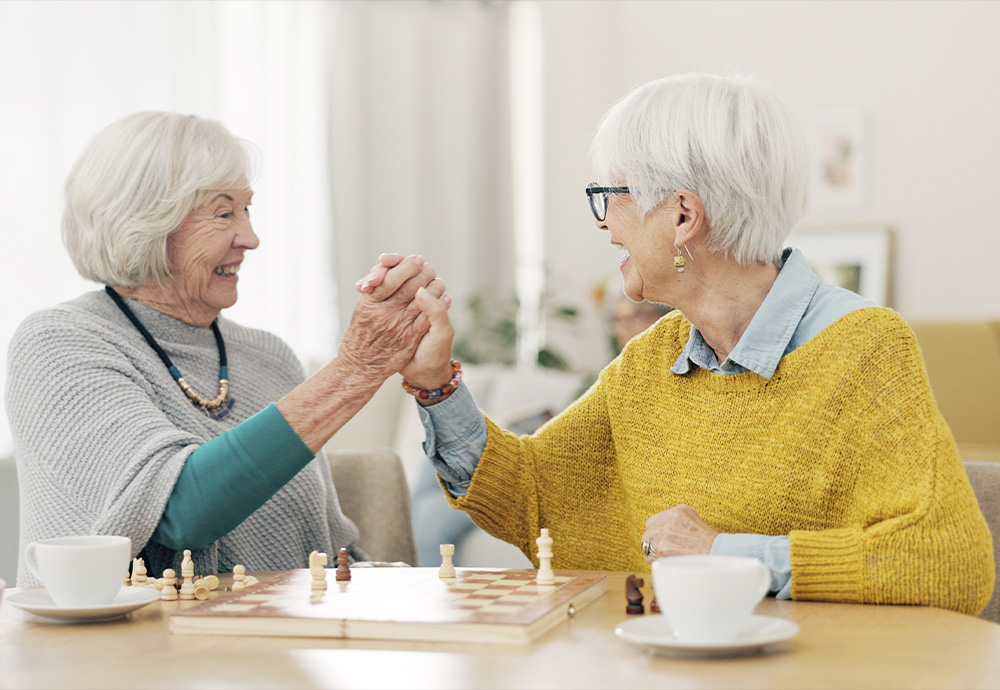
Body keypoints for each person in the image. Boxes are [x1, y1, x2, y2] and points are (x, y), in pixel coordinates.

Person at [367, 74, 994, 614]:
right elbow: (533, 492)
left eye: (609, 197)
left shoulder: (863, 348)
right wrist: (434, 382)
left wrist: (724, 555)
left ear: (683, 217)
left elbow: (946, 563)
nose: (605, 225)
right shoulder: (654, 357)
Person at [7, 111, 447, 585]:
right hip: (125, 653)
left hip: (268, 649)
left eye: (247, 209)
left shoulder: (268, 357)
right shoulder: (58, 345)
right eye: (223, 213)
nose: (251, 238)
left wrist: (394, 587)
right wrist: (354, 371)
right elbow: (181, 512)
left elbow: (323, 549)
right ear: (145, 224)